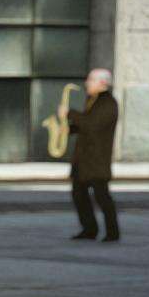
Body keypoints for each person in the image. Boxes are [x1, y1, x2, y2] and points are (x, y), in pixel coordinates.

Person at [58, 67, 118, 241]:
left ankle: (112, 232)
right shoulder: (93, 100)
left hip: (97, 160)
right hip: (83, 159)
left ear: (103, 83)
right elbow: (86, 125)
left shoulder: (108, 103)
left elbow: (92, 125)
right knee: (79, 195)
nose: (87, 83)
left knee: (102, 197)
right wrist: (69, 129)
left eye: (91, 80)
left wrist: (69, 113)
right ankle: (89, 229)